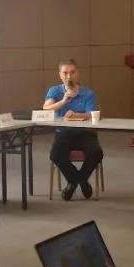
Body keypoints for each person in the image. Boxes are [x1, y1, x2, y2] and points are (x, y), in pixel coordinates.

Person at [44, 59, 102, 200]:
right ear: (60, 74)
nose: (69, 76)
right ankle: (78, 180)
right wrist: (63, 101)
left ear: (78, 73)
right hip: (64, 133)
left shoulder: (88, 93)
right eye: (65, 73)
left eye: (72, 72)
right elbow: (46, 108)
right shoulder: (54, 90)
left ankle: (76, 182)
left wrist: (77, 115)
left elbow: (91, 114)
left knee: (96, 153)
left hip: (85, 133)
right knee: (55, 155)